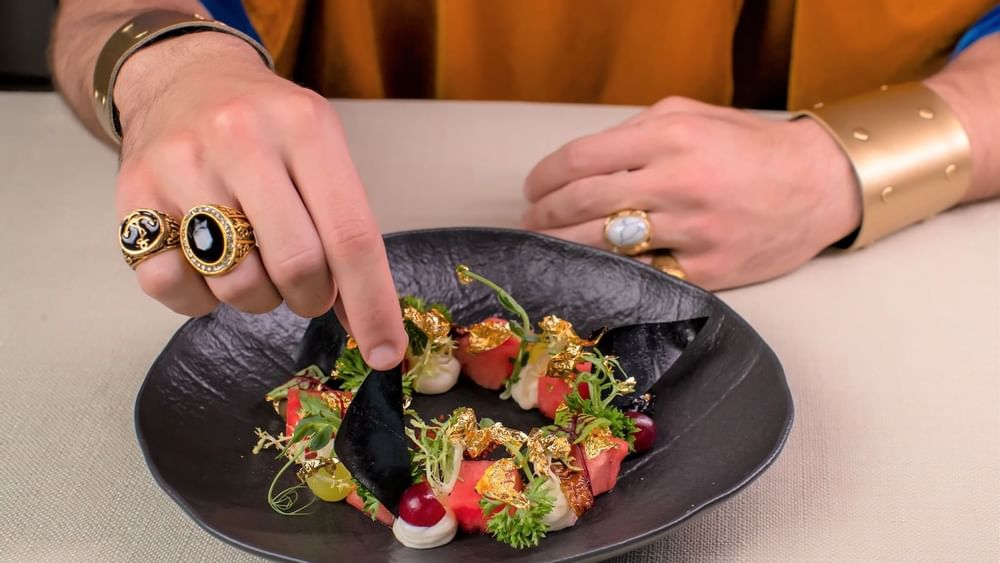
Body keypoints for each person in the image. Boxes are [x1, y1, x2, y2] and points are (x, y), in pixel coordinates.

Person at [50, 1, 1000, 372]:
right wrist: (171, 67)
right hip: (363, 196)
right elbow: (106, 14)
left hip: (841, 286)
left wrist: (845, 164)